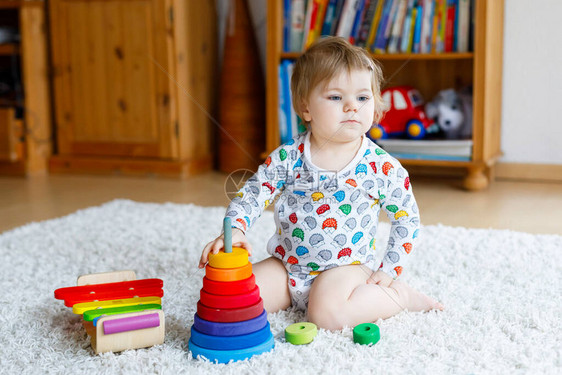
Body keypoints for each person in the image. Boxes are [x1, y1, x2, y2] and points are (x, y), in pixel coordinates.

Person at [199, 36, 443, 331]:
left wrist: (391, 269)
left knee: (327, 316)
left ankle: (399, 296)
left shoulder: (382, 167)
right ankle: (290, 297)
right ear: (306, 108)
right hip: (287, 266)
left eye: (363, 98)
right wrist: (234, 229)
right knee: (234, 300)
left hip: (345, 269)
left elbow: (407, 218)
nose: (352, 106)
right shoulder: (289, 157)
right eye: (336, 97)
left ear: (376, 106)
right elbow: (253, 193)